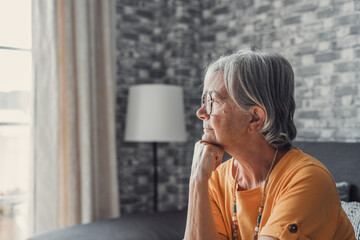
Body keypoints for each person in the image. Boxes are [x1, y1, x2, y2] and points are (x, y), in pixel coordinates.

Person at [183, 49, 355, 240]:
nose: (201, 112)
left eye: (212, 100)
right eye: (204, 100)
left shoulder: (308, 179)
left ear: (255, 118)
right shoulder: (215, 178)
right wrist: (197, 179)